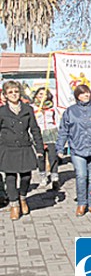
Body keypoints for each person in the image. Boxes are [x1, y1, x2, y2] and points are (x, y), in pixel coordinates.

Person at [56, 85, 91, 216]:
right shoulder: (70, 111)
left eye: (88, 93)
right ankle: (81, 203)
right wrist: (60, 147)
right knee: (81, 176)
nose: (86, 95)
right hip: (78, 150)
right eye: (83, 93)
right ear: (77, 96)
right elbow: (63, 131)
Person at [0, 81, 44, 220]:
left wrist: (39, 148)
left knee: (26, 176)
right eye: (10, 92)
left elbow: (35, 129)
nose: (14, 94)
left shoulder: (27, 109)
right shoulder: (1, 111)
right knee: (10, 178)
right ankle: (14, 205)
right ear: (5, 95)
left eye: (16, 91)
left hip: (24, 146)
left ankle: (23, 197)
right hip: (8, 147)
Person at [32, 87, 60, 189]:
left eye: (44, 94)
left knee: (53, 156)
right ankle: (43, 177)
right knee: (41, 157)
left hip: (51, 132)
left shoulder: (52, 108)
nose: (42, 96)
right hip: (38, 133)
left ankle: (54, 177)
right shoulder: (33, 108)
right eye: (40, 94)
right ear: (36, 96)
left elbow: (57, 121)